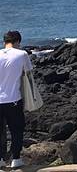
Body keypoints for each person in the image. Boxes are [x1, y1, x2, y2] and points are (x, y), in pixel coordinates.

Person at [0, 31, 34, 169]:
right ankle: (16, 159)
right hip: (13, 99)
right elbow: (28, 73)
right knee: (16, 130)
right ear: (18, 42)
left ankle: (0, 160)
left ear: (4, 42)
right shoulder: (22, 54)